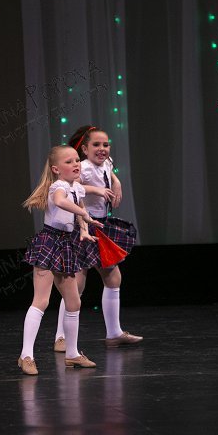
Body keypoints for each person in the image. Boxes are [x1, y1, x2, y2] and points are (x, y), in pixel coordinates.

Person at [54, 126, 142, 352]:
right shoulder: (82, 167)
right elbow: (72, 186)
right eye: (96, 145)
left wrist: (116, 181)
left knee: (113, 277)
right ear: (84, 149)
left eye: (106, 144)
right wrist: (96, 190)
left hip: (101, 226)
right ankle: (61, 337)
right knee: (77, 285)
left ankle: (114, 333)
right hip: (82, 226)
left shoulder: (107, 162)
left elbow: (108, 168)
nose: (102, 149)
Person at [18, 145, 104, 375]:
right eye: (69, 162)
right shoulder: (58, 187)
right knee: (41, 301)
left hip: (66, 244)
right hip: (50, 242)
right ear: (56, 169)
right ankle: (26, 355)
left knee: (74, 302)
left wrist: (84, 229)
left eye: (76, 160)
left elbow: (79, 209)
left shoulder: (76, 188)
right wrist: (83, 213)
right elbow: (60, 202)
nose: (76, 164)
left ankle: (72, 353)